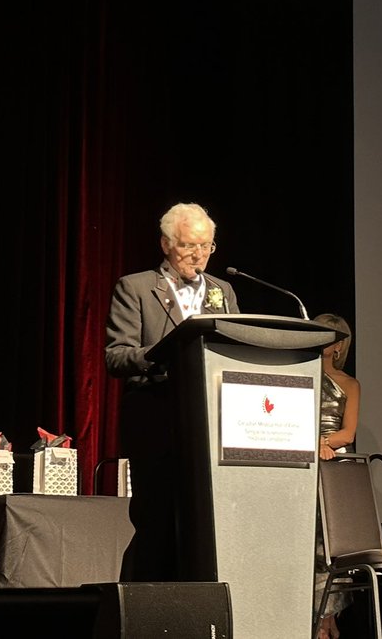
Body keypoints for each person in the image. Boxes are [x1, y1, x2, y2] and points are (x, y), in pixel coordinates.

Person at [104, 201, 239, 581]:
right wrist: (163, 353)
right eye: (189, 246)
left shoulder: (223, 291)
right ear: (166, 244)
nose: (199, 256)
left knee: (203, 526)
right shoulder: (136, 288)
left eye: (207, 246)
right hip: (157, 422)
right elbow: (116, 358)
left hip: (209, 430)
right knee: (157, 522)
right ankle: (141, 606)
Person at [312, 312, 360, 639]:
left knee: (330, 546)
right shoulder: (301, 374)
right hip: (305, 460)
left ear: (340, 344)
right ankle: (315, 618)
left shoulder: (349, 384)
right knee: (309, 542)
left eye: (329, 334)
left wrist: (323, 442)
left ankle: (328, 619)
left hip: (334, 464)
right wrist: (310, 443)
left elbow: (348, 433)